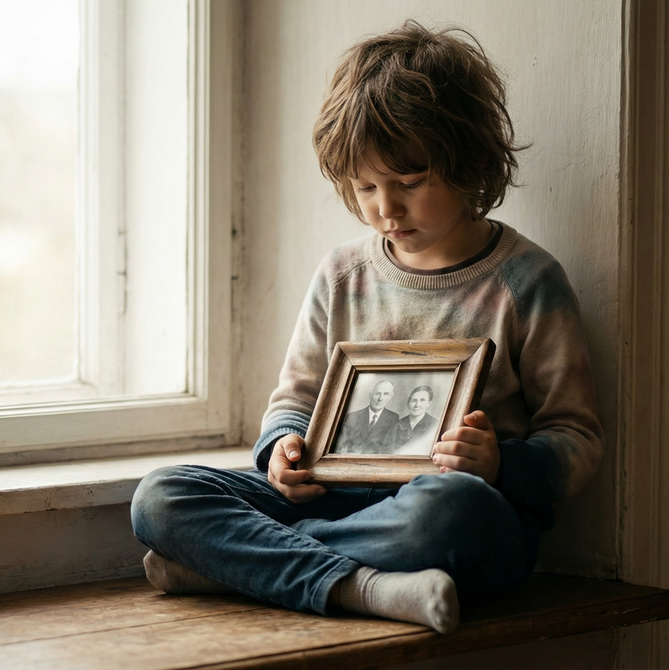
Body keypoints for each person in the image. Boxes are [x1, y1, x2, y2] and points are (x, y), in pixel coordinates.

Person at [129, 20, 602, 635]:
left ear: (469, 161)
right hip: (335, 498)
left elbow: (576, 437)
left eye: (410, 183)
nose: (385, 208)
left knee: (453, 511)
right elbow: (295, 400)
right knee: (161, 496)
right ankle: (362, 586)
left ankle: (239, 565)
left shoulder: (527, 282)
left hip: (448, 514)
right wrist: (284, 449)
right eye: (365, 187)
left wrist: (499, 464)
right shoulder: (342, 275)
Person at [332, 380, 402, 454]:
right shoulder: (352, 416)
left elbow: (390, 448)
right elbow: (340, 446)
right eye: (377, 393)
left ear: (390, 396)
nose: (380, 398)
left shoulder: (393, 418)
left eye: (386, 394)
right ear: (370, 395)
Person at [392, 385, 439, 454]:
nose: (417, 405)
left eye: (422, 400)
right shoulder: (397, 425)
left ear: (428, 403)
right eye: (414, 400)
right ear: (408, 403)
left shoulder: (435, 425)